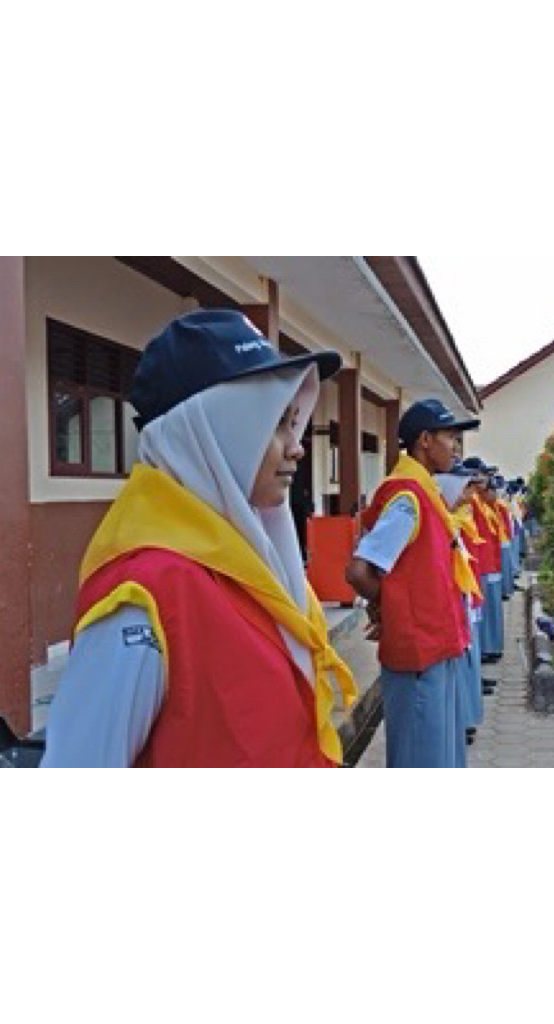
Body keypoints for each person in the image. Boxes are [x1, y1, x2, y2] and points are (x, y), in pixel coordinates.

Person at [42, 309, 356, 768]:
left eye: (293, 423)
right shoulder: (142, 596)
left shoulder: (261, 565)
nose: (297, 447)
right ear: (211, 435)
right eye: (274, 425)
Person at [345, 398, 480, 768]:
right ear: (425, 440)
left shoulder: (426, 493)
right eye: (450, 438)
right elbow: (359, 571)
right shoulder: (408, 498)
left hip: (435, 644)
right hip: (419, 649)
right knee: (421, 757)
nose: (456, 448)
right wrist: (390, 607)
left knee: (439, 754)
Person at [435, 461, 486, 752]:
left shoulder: (456, 519)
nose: (470, 496)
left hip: (462, 602)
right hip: (449, 610)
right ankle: (463, 719)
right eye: (465, 489)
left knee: (465, 664)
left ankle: (465, 717)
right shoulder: (446, 522)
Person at [462, 457, 504, 670]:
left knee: (483, 617)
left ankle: (487, 651)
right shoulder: (469, 502)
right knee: (478, 620)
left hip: (485, 565)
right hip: (476, 567)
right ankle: (484, 654)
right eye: (481, 474)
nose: (485, 479)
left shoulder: (480, 502)